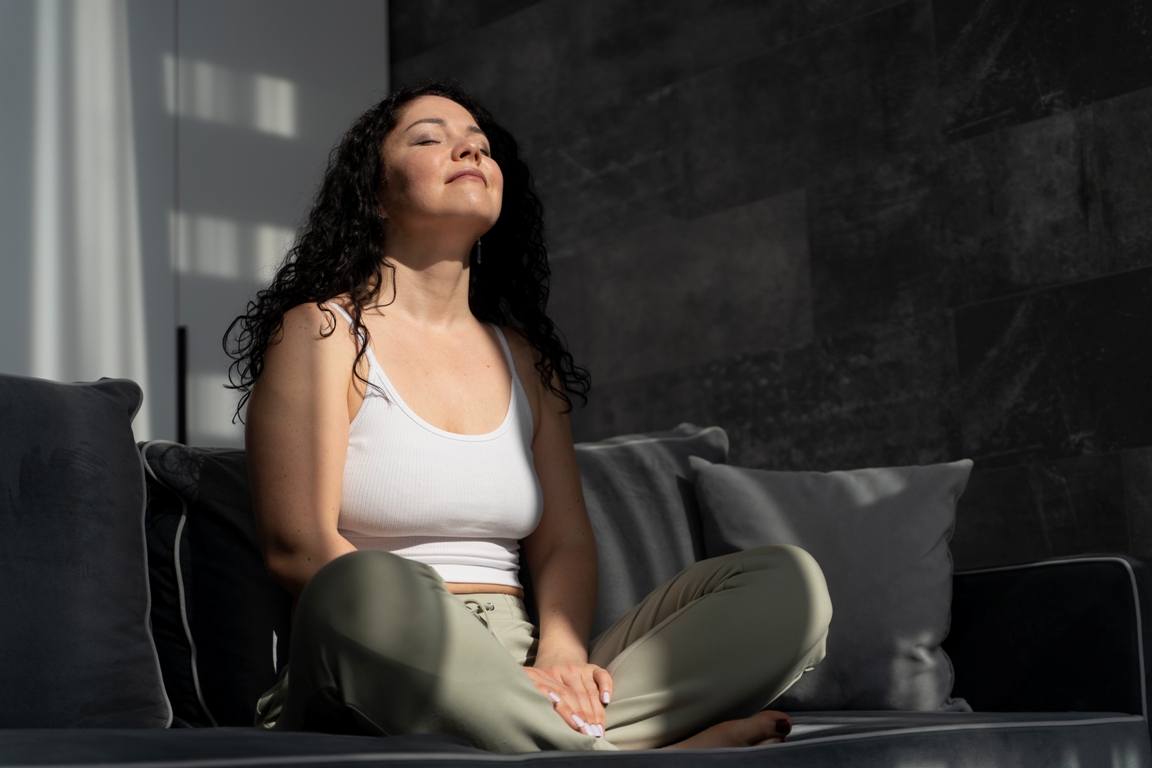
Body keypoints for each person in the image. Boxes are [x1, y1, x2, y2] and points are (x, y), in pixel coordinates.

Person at [224, 79, 832, 754]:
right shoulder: (322, 333)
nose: (468, 149)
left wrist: (563, 656)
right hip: (382, 650)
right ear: (372, 192)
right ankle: (637, 746)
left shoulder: (525, 361)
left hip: (521, 656)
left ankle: (545, 735)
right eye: (430, 138)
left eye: (480, 144)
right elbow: (298, 547)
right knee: (361, 583)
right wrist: (470, 659)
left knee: (788, 584)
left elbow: (566, 542)